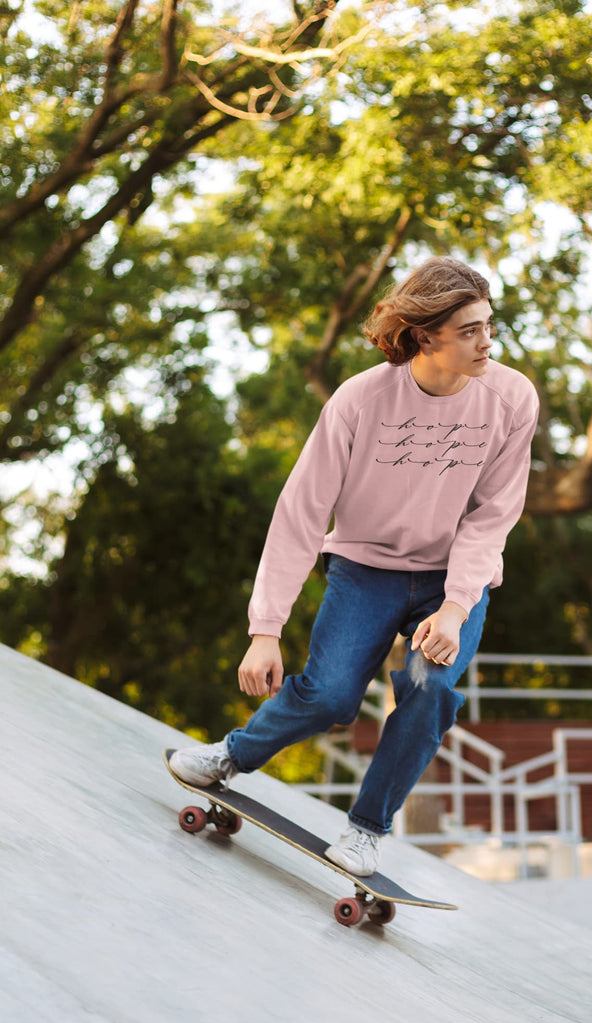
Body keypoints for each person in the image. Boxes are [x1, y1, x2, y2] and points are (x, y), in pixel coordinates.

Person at [169, 257, 539, 876]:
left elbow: (493, 515)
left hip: (453, 580)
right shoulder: (361, 399)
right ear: (425, 337)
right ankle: (233, 755)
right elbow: (301, 513)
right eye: (470, 330)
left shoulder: (510, 397)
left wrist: (454, 607)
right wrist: (265, 630)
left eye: (488, 325)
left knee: (430, 690)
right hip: (366, 569)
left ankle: (367, 829)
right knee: (330, 695)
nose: (487, 342)